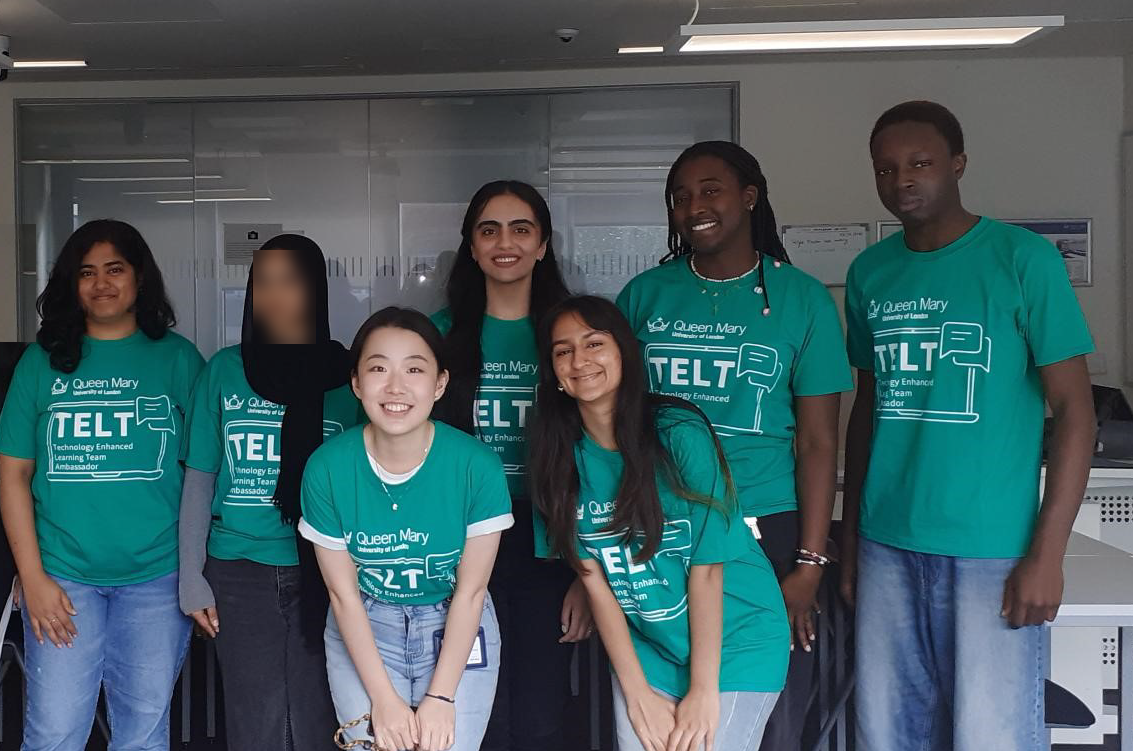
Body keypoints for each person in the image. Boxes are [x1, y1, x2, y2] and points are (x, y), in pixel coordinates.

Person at [841, 100, 1096, 750]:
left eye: (919, 162)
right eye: (886, 168)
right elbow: (864, 412)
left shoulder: (1021, 259)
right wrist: (849, 546)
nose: (902, 179)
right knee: (885, 734)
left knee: (991, 736)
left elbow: (1073, 409)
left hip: (992, 550)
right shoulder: (869, 273)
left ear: (957, 164)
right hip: (884, 546)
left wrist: (1046, 554)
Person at [616, 141, 851, 749]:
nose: (695, 205)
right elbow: (614, 425)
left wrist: (809, 564)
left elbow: (819, 441)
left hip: (765, 528)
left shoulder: (802, 299)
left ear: (749, 197)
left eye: (711, 189)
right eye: (681, 196)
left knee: (767, 709)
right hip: (663, 525)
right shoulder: (645, 297)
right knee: (670, 710)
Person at [530, 295, 789, 751]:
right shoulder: (556, 457)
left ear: (624, 353)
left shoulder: (678, 433)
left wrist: (705, 691)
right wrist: (635, 692)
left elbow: (708, 568)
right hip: (651, 648)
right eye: (563, 350)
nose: (579, 360)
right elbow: (595, 582)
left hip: (736, 640)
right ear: (553, 373)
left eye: (594, 344)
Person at [0, 219, 204, 750]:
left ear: (140, 278)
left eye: (115, 269)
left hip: (158, 578)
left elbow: (204, 476)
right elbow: (14, 475)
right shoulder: (39, 364)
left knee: (141, 734)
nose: (101, 283)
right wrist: (33, 576)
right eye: (86, 272)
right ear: (71, 284)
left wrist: (197, 575)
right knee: (53, 732)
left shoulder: (179, 360)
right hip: (63, 580)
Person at [299, 306, 513, 751]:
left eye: (414, 369)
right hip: (365, 621)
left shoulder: (477, 466)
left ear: (439, 383)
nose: (395, 387)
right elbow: (342, 594)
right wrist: (384, 699)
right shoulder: (327, 469)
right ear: (356, 383)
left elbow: (472, 592)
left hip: (453, 620)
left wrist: (440, 695)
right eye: (378, 368)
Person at [179, 234, 360, 749]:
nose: (277, 296)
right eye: (265, 283)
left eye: (292, 281)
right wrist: (191, 577)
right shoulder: (224, 370)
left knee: (322, 716)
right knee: (254, 717)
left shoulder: (349, 378)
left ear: (317, 291)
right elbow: (200, 476)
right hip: (238, 572)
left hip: (328, 573)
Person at [431, 180, 588, 751]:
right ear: (470, 246)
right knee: (465, 704)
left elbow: (600, 457)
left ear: (543, 245)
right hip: (457, 540)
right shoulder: (440, 336)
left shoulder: (571, 336)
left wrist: (585, 577)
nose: (505, 243)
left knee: (538, 711)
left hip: (547, 543)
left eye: (521, 229)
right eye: (488, 229)